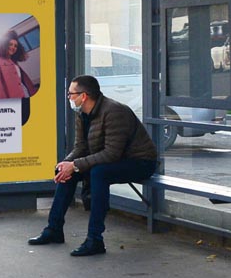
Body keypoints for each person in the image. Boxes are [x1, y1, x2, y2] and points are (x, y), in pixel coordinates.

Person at [28, 74, 158, 257]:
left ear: (84, 96)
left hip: (140, 162)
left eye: (71, 94)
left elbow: (112, 153)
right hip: (114, 160)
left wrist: (75, 165)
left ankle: (95, 240)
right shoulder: (82, 113)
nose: (69, 98)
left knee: (99, 173)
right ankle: (54, 229)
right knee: (68, 171)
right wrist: (68, 164)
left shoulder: (114, 112)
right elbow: (81, 146)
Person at [0, 31, 36, 99]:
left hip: (27, 93)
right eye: (10, 44)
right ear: (5, 45)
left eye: (15, 46)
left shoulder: (15, 63)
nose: (13, 47)